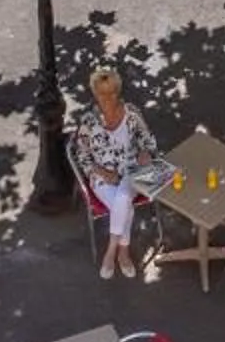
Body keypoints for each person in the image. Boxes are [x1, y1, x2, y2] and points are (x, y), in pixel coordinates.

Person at [70, 64, 173, 279]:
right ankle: (122, 253)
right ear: (95, 94)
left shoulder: (132, 113)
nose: (107, 97)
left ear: (118, 91)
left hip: (131, 171)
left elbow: (148, 140)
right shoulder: (88, 122)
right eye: (101, 93)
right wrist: (102, 172)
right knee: (125, 206)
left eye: (111, 92)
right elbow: (82, 156)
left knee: (124, 196)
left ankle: (111, 251)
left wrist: (145, 151)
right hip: (102, 178)